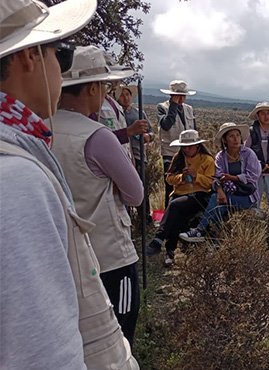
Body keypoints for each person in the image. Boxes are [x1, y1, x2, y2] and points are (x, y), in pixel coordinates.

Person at [0, 0, 138, 368]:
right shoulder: (17, 177)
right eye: (57, 54)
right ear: (28, 57)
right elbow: (44, 348)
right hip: (111, 254)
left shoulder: (34, 140)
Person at [52, 45, 144, 347]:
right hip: (110, 256)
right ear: (92, 87)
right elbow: (136, 194)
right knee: (118, 340)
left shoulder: (42, 129)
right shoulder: (96, 135)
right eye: (104, 86)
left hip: (65, 258)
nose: (105, 92)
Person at [179, 122, 261, 243]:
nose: (236, 139)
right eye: (231, 136)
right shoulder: (221, 156)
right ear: (225, 139)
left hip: (248, 197)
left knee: (214, 200)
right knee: (218, 208)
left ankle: (200, 230)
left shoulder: (248, 154)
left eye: (237, 135)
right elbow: (217, 177)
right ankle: (216, 242)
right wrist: (219, 190)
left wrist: (233, 178)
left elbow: (253, 176)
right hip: (228, 195)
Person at [146, 129, 215, 265]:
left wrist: (196, 176)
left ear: (197, 145)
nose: (187, 149)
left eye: (190, 146)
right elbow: (169, 179)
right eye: (184, 147)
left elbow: (211, 183)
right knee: (175, 212)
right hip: (179, 194)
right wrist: (182, 178)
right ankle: (168, 252)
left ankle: (160, 241)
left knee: (174, 206)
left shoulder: (207, 160)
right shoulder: (178, 158)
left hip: (199, 196)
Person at [117, 83, 154, 225]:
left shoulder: (139, 113)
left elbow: (151, 132)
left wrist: (148, 137)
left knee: (142, 188)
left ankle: (145, 219)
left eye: (128, 94)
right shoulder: (117, 114)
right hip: (124, 156)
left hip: (139, 156)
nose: (126, 98)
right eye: (122, 95)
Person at [158, 80, 196, 208]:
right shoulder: (162, 108)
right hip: (170, 153)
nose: (181, 98)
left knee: (188, 185)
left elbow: (194, 132)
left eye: (183, 95)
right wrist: (173, 106)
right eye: (178, 96)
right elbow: (166, 125)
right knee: (171, 187)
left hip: (188, 154)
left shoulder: (189, 109)